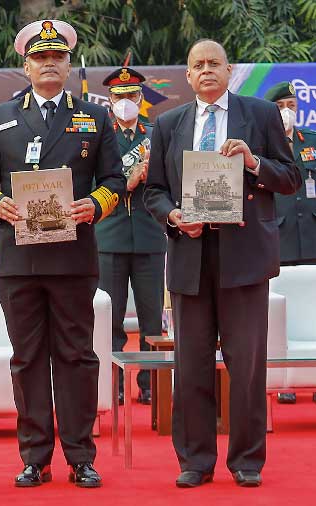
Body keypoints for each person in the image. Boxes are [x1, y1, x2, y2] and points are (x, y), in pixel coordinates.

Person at [0, 19, 124, 488]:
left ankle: (81, 455)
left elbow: (114, 180)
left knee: (77, 356)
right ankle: (35, 456)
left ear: (69, 63)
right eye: (40, 57)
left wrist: (93, 204)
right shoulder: (0, 117)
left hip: (74, 256)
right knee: (28, 358)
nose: (49, 63)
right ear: (26, 65)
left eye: (57, 57)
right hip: (18, 260)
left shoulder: (94, 117)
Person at [143, 39, 300, 488]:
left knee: (246, 365)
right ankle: (195, 460)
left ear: (230, 71)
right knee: (191, 363)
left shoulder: (262, 115)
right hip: (191, 255)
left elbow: (289, 178)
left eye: (215, 63)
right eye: (198, 65)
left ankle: (247, 461)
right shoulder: (169, 123)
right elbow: (154, 190)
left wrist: (253, 162)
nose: (207, 70)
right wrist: (174, 216)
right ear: (188, 76)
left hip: (245, 257)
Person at [95, 67, 166, 406]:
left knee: (153, 317)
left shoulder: (156, 135)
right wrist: (128, 180)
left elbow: (172, 184)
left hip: (151, 235)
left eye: (132, 96)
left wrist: (154, 175)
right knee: (111, 318)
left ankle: (151, 383)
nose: (126, 102)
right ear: (109, 101)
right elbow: (91, 187)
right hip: (109, 237)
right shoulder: (99, 136)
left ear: (142, 99)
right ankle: (115, 383)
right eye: (119, 97)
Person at [264, 81, 316, 405]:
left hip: (311, 235)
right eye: (281, 106)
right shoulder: (264, 144)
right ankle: (284, 377)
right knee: (282, 310)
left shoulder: (311, 141)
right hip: (279, 237)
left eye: (292, 106)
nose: (287, 111)